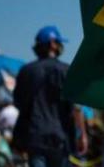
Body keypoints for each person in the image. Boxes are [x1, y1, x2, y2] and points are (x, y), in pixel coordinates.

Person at [13, 25, 88, 167]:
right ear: (53, 44)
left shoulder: (26, 71)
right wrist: (82, 135)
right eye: (59, 43)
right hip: (60, 138)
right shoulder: (67, 71)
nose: (61, 46)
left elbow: (18, 103)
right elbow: (76, 107)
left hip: (34, 137)